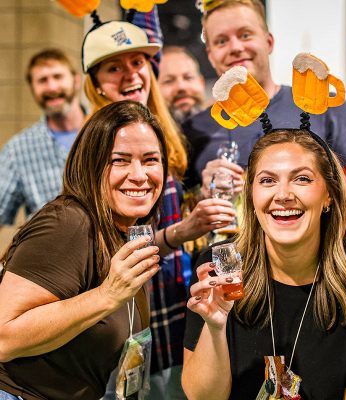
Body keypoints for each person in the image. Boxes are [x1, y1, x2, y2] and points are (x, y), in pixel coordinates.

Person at [182, 129, 346, 399]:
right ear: (252, 195)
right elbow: (203, 396)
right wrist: (215, 327)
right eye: (267, 180)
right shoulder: (222, 268)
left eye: (302, 179)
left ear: (329, 195)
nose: (283, 195)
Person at [81, 20, 236, 398]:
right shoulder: (93, 148)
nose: (131, 74)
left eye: (138, 62)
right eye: (114, 67)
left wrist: (200, 191)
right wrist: (182, 231)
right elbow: (108, 244)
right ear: (96, 84)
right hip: (129, 324)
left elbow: (158, 214)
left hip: (170, 311)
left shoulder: (159, 131)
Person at [0, 101, 166, 399]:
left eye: (151, 159)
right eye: (120, 160)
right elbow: (3, 337)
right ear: (91, 163)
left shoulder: (120, 228)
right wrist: (107, 295)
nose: (140, 175)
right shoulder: (69, 221)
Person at [184, 0, 346, 230]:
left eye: (245, 35)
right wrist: (204, 194)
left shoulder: (325, 106)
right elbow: (180, 213)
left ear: (269, 42)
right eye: (221, 41)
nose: (235, 47)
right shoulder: (193, 130)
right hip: (230, 258)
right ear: (211, 55)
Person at [0, 48, 86, 226]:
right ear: (32, 88)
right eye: (42, 80)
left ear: (76, 80)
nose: (52, 87)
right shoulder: (17, 150)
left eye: (57, 76)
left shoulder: (108, 131)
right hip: (52, 252)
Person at [158, 46, 207, 125]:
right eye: (168, 81)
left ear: (201, 82)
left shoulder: (229, 129)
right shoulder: (149, 136)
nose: (181, 87)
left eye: (188, 78)